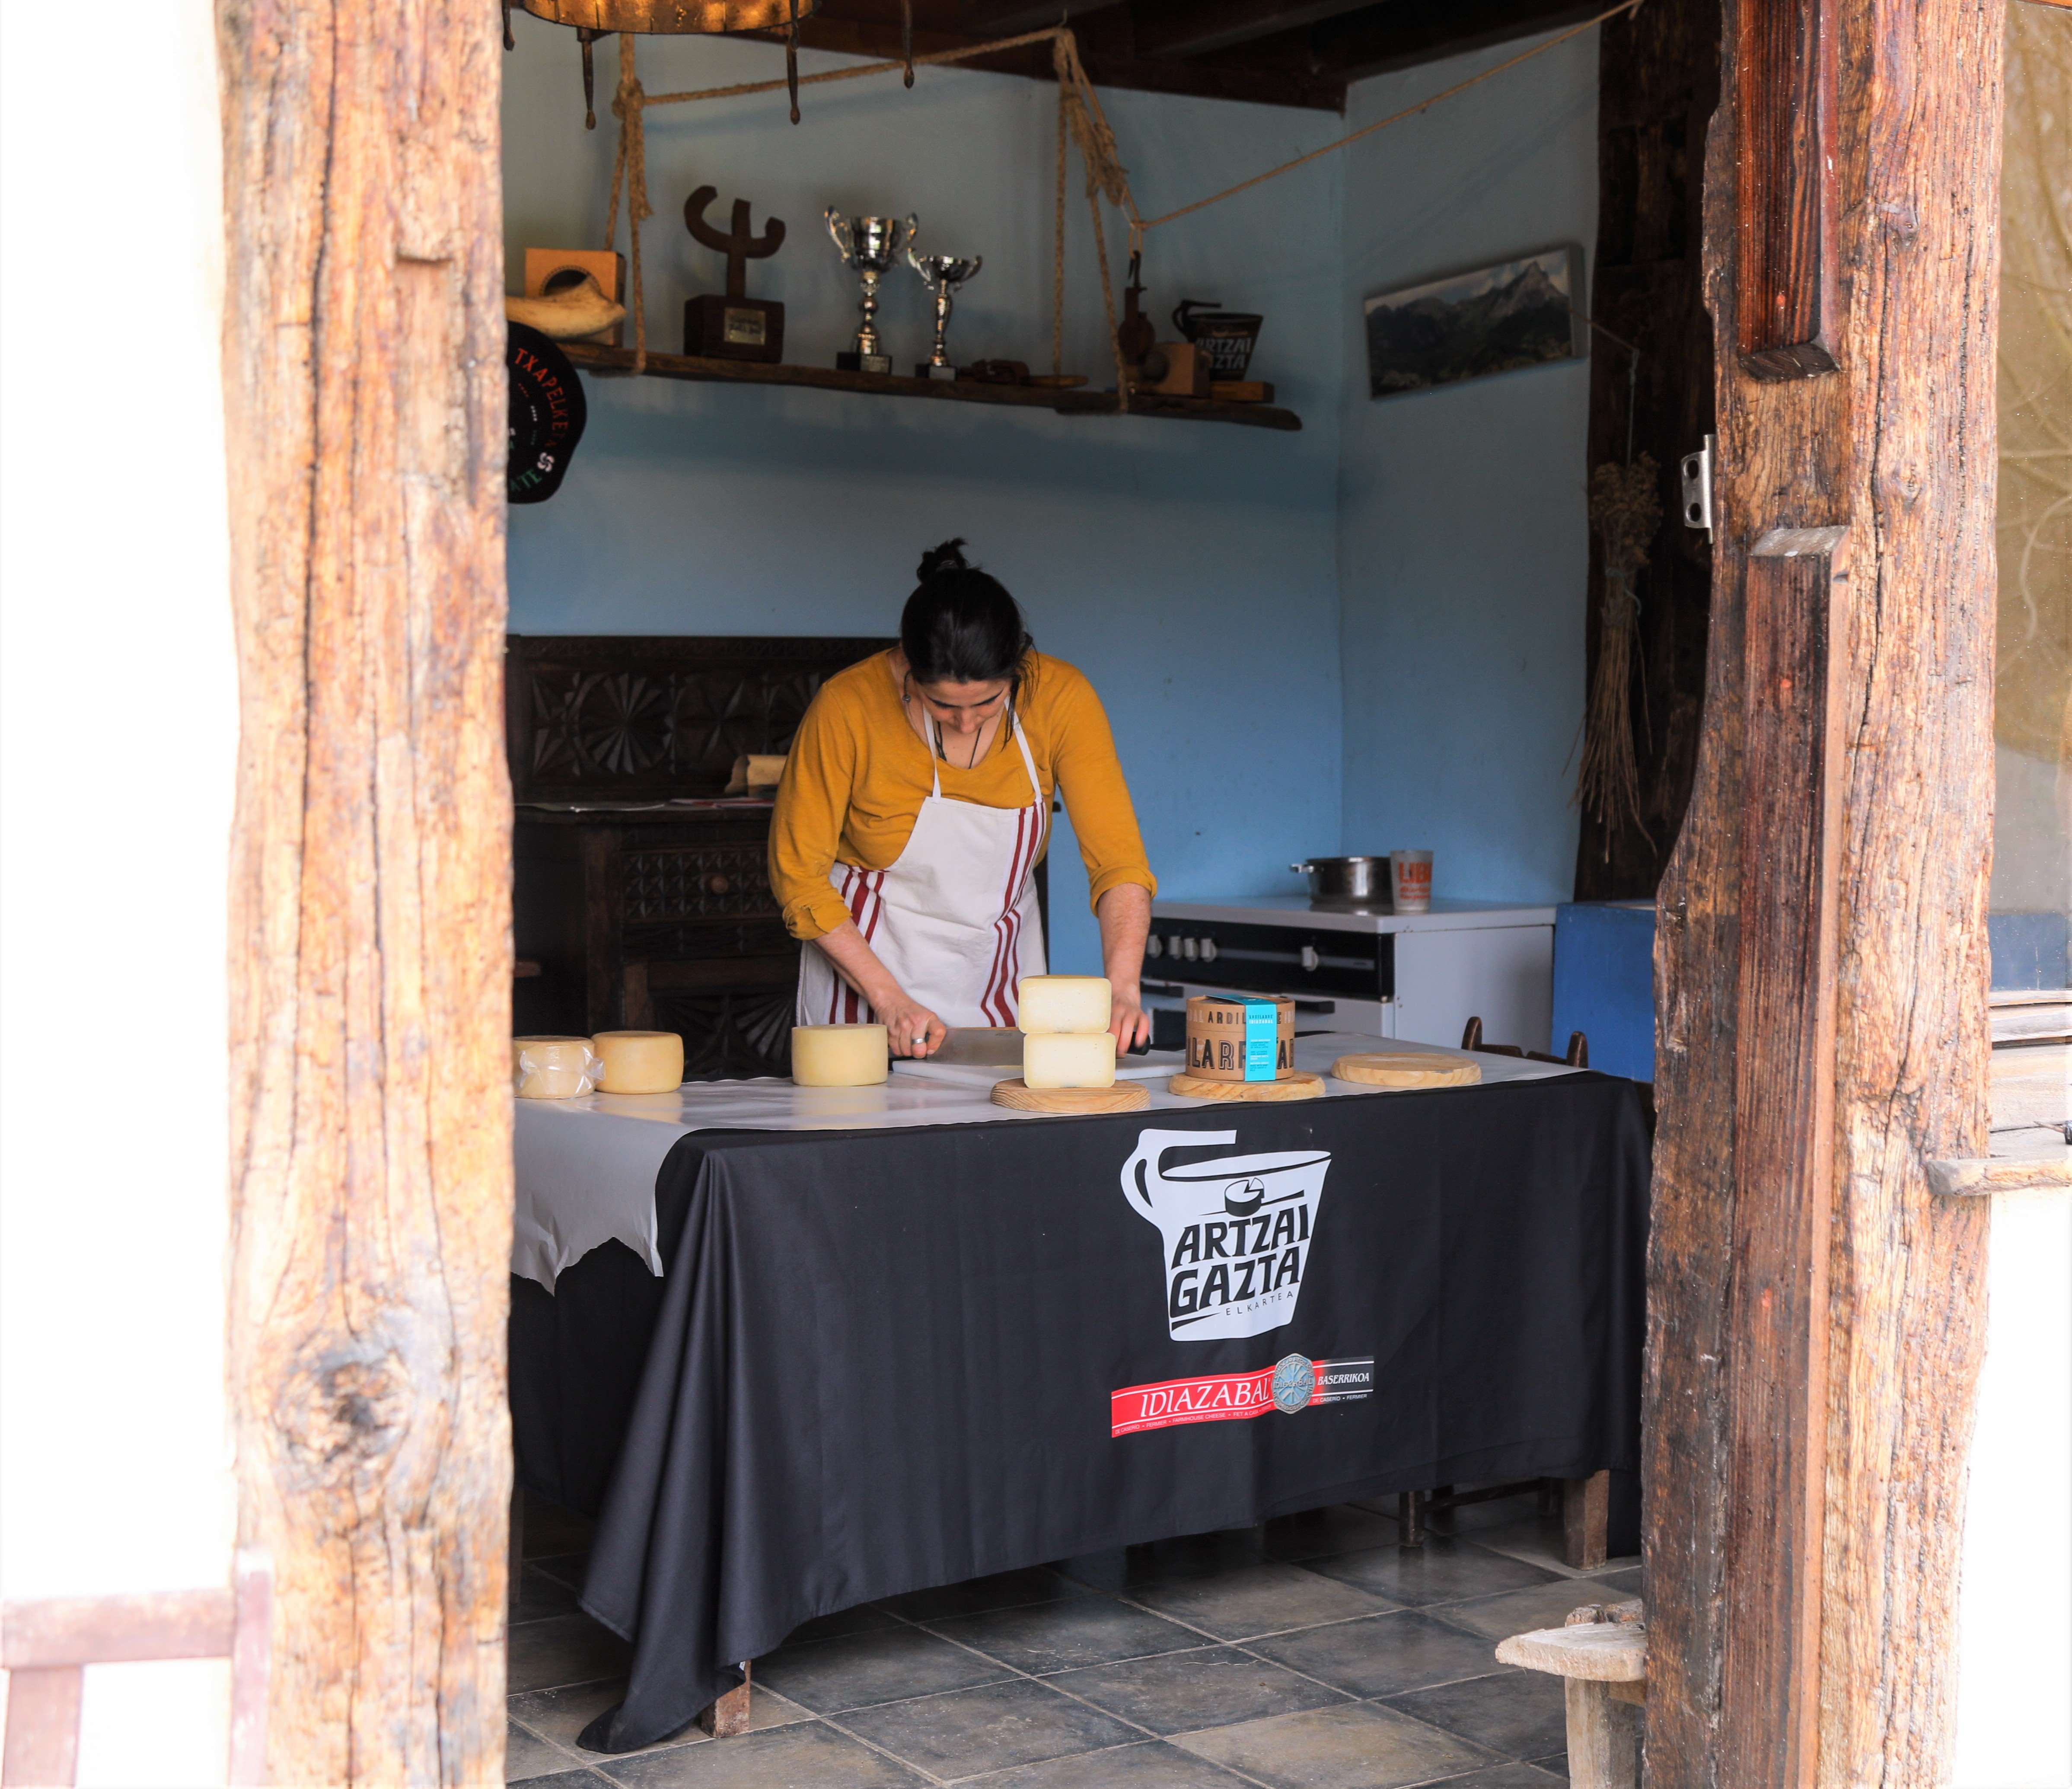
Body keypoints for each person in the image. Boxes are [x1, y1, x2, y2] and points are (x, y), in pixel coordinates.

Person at [770, 539, 1155, 1059]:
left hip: (999, 978)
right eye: (943, 704)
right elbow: (798, 875)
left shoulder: (1062, 699)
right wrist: (890, 1001)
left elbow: (1118, 863)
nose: (967, 722)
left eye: (988, 701)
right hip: (867, 985)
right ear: (909, 669)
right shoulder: (847, 706)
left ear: (1017, 668)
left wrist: (1123, 987)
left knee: (999, 1108)